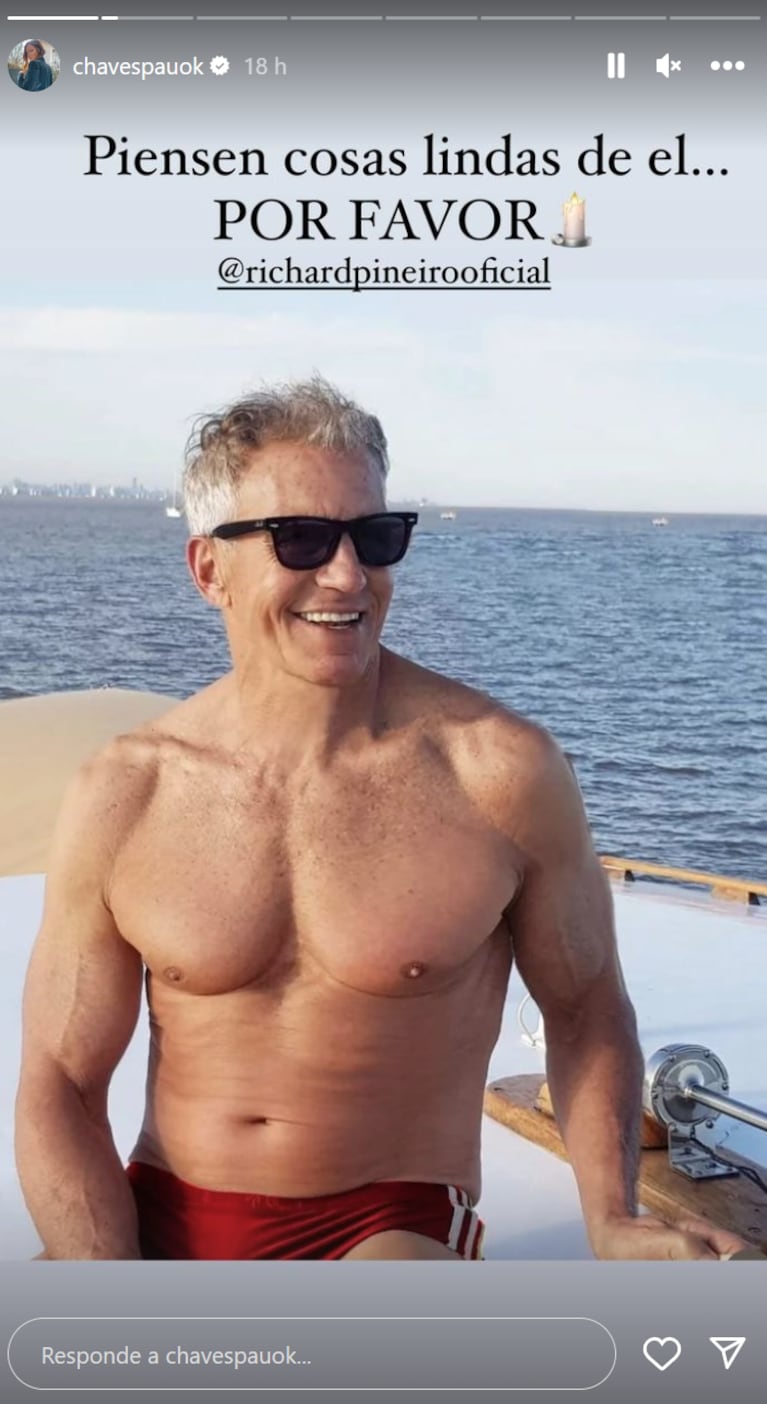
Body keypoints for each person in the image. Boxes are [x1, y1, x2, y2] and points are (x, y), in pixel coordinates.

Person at [15, 377, 746, 1262]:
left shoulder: (497, 771)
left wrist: (613, 1219)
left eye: (374, 536)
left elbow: (586, 1006)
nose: (346, 574)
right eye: (300, 538)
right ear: (209, 569)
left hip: (386, 1222)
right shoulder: (126, 792)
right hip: (161, 1209)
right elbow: (60, 1077)